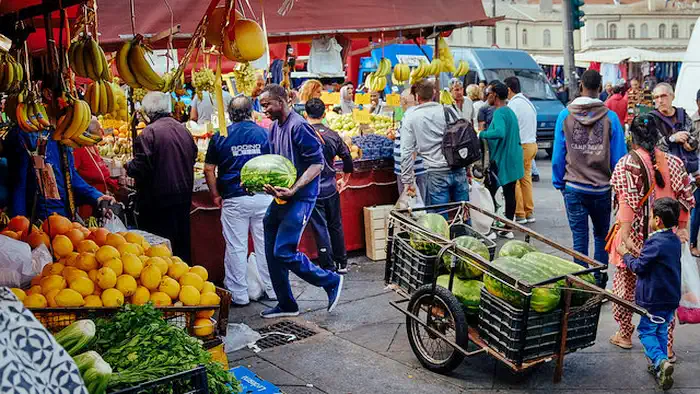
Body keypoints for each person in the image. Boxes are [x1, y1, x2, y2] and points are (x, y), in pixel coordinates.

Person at [608, 114, 694, 359]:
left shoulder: (627, 164)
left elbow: (626, 204)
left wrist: (625, 238)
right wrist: (682, 228)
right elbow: (686, 200)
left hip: (635, 239)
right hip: (667, 241)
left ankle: (625, 333)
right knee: (665, 295)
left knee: (625, 288)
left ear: (631, 137)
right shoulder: (675, 163)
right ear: (657, 135)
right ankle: (666, 345)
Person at [258, 84, 344, 318]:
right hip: (282, 197)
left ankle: (330, 280)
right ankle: (286, 303)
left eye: (267, 104)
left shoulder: (300, 126)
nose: (263, 109)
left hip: (302, 197)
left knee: (284, 251)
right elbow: (274, 162)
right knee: (272, 249)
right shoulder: (274, 127)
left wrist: (294, 189)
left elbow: (317, 164)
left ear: (281, 101)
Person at [552, 69, 627, 285]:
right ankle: (600, 282)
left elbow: (558, 155)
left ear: (581, 86)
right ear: (600, 88)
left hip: (574, 187)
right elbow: (619, 157)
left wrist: (559, 182)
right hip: (602, 189)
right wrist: (618, 188)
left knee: (579, 238)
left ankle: (581, 285)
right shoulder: (610, 117)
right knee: (602, 235)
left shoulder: (565, 116)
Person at [203, 96, 275, 305]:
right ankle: (273, 290)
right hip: (263, 197)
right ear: (251, 112)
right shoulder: (264, 133)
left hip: (234, 199)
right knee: (265, 245)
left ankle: (239, 295)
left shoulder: (220, 136)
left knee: (236, 246)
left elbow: (209, 169)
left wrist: (215, 194)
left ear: (230, 115)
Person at [616, 197, 681, 391]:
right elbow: (652, 261)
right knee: (661, 331)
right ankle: (659, 368)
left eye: (652, 216)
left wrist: (624, 253)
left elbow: (639, 267)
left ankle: (661, 360)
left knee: (645, 332)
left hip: (654, 299)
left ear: (658, 220)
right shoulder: (674, 240)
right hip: (670, 298)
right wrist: (637, 251)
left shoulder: (655, 242)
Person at [127, 92, 198, 262]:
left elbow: (141, 166)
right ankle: (185, 276)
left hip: (158, 200)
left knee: (160, 246)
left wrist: (128, 166)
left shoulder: (148, 133)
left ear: (149, 112)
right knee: (181, 242)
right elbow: (193, 155)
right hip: (183, 195)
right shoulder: (183, 129)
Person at [4, 126, 115, 221]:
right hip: (38, 222)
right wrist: (19, 224)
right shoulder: (24, 133)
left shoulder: (64, 134)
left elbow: (71, 176)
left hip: (64, 219)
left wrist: (97, 197)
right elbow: (18, 186)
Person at [400, 79, 469, 206]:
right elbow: (464, 138)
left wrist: (407, 180)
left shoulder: (411, 117)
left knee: (439, 219)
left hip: (435, 172)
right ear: (434, 93)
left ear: (417, 96)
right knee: (463, 214)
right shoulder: (449, 111)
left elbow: (406, 151)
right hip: (458, 168)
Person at [305, 98, 354, 273]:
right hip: (331, 187)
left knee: (320, 226)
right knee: (335, 224)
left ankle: (327, 265)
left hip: (312, 189)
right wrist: (345, 178)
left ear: (305, 114)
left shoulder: (303, 134)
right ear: (324, 114)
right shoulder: (333, 134)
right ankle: (342, 263)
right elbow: (347, 156)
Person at [479, 81, 524, 239]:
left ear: (495, 95)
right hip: (513, 157)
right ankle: (508, 227)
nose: (486, 96)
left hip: (504, 159)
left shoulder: (499, 112)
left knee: (490, 193)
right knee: (509, 193)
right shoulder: (509, 111)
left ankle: (490, 228)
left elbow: (500, 132)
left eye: (488, 93)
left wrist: (481, 134)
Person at [504, 76, 537, 225]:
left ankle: (519, 214)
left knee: (515, 180)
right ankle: (529, 212)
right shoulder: (527, 102)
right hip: (531, 144)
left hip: (520, 145)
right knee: (526, 180)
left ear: (509, 90)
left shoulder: (513, 105)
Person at [73, 118, 119, 218]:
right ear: (88, 133)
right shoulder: (79, 149)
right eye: (98, 129)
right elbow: (72, 175)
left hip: (104, 202)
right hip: (88, 205)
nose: (102, 131)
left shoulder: (94, 147)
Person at [393, 88, 428, 201]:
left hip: (413, 171)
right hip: (408, 170)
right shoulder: (409, 116)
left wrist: (408, 173)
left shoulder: (412, 117)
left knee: (415, 207)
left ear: (403, 101)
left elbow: (412, 146)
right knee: (410, 206)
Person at [691, 89, 700, 255]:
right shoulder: (693, 122)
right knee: (697, 210)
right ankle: (693, 243)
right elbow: (691, 153)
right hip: (698, 174)